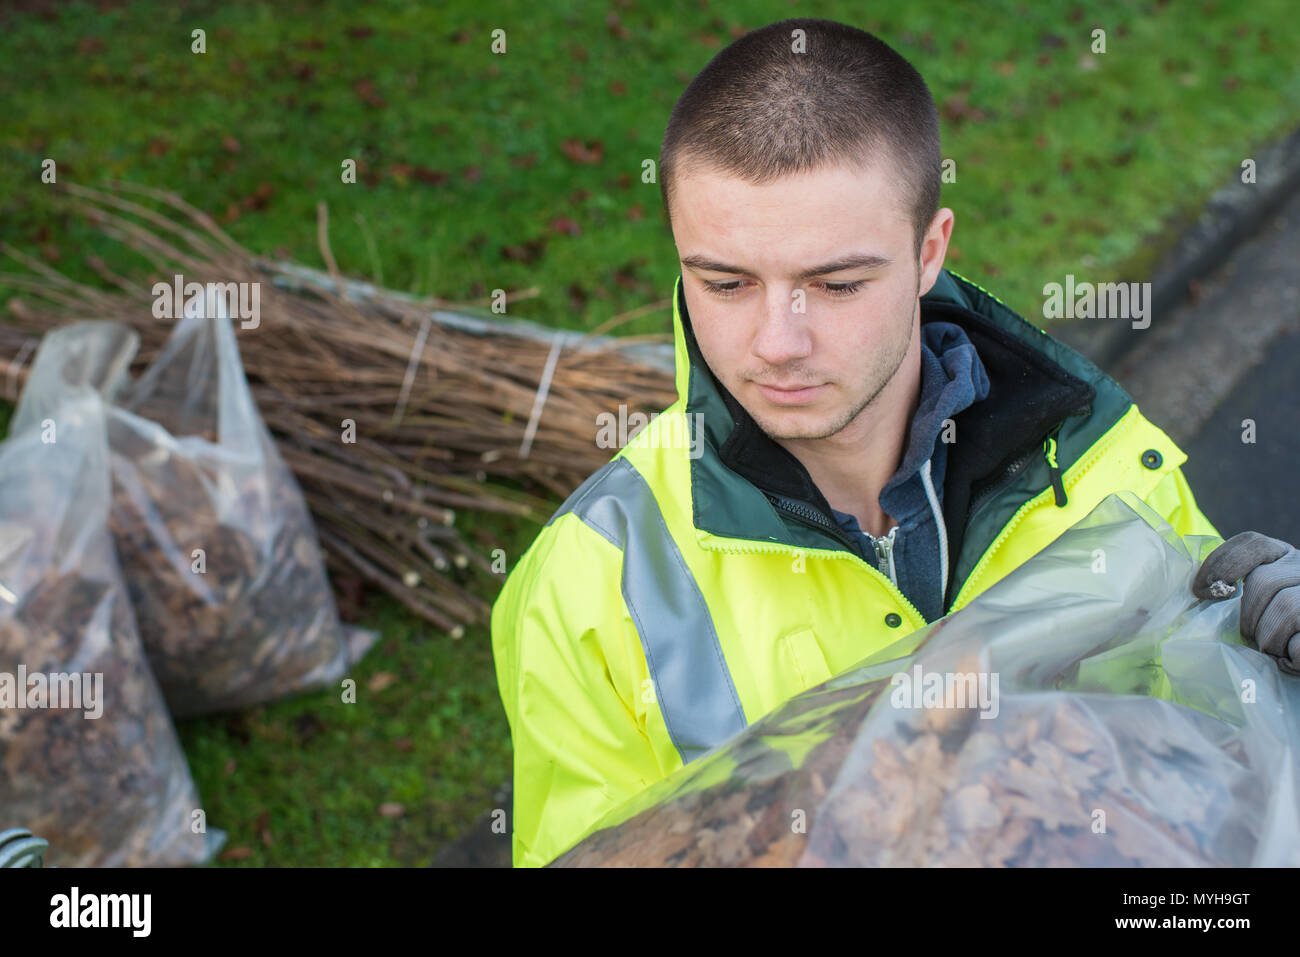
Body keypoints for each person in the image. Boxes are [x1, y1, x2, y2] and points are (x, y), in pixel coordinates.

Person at [490, 17, 1300, 868]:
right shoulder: (592, 585)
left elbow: (1218, 783)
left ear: (928, 251)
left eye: (834, 283)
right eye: (725, 282)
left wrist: (1270, 670)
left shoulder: (1103, 466)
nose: (776, 342)